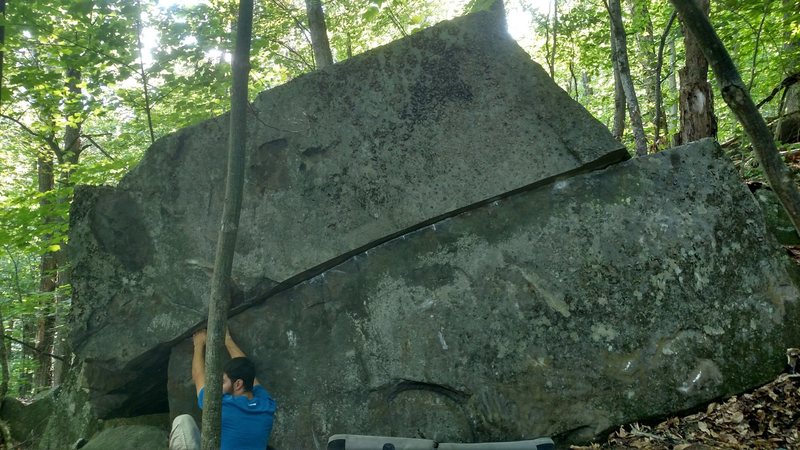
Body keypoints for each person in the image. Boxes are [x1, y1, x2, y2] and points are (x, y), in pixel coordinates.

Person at [170, 328, 277, 450]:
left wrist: (198, 344)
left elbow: (199, 376)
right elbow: (246, 370)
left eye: (223, 382)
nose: (219, 387)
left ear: (238, 385)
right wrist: (227, 340)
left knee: (182, 421)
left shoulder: (221, 404)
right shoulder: (267, 405)